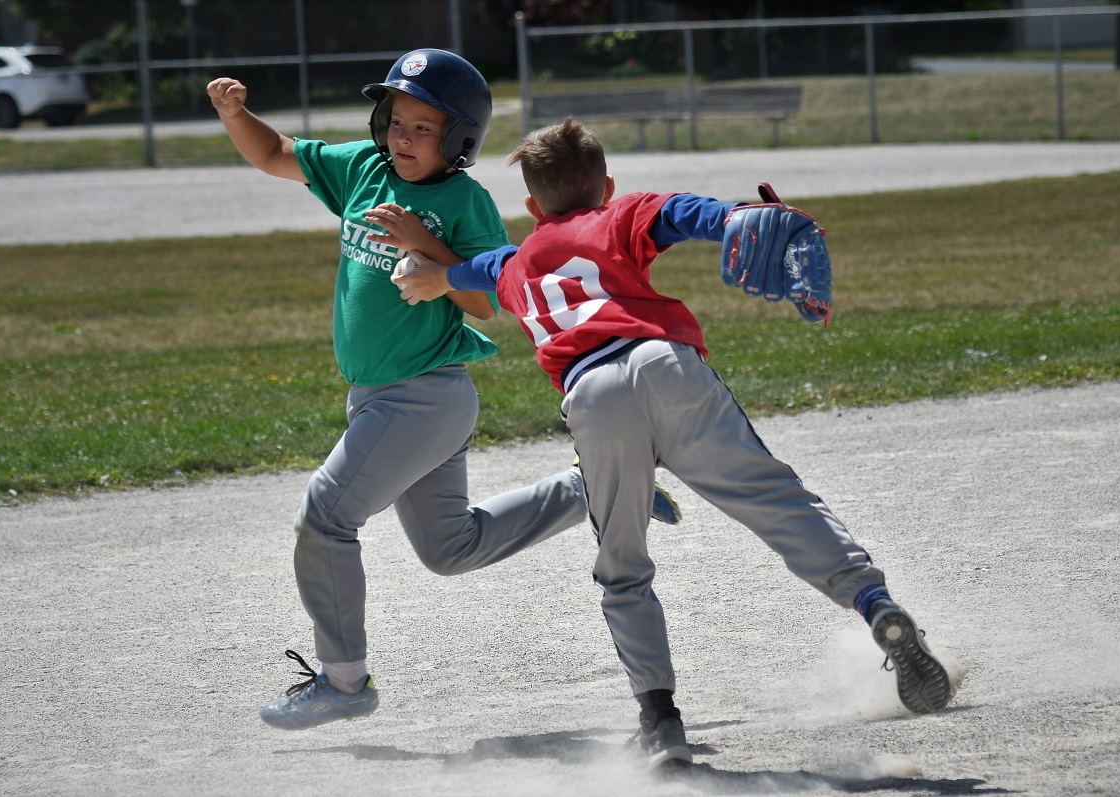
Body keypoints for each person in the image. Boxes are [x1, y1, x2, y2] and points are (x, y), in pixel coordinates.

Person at [392, 117, 953, 768]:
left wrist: (425, 270)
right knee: (776, 500)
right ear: (606, 186)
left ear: (532, 207)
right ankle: (874, 604)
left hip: (593, 395)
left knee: (622, 564)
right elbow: (689, 213)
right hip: (665, 364)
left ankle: (661, 725)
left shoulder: (513, 264)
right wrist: (738, 217)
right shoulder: (621, 213)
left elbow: (458, 274)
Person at [207, 52, 681, 732]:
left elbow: (488, 300)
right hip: (378, 397)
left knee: (325, 517)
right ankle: (596, 485)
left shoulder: (464, 202)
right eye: (396, 120)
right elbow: (276, 153)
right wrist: (236, 115)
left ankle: (344, 681)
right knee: (450, 548)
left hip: (424, 397)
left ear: (458, 138)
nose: (403, 137)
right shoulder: (363, 169)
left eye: (423, 127)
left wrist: (425, 242)